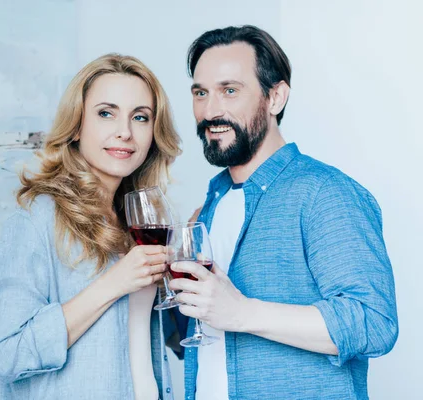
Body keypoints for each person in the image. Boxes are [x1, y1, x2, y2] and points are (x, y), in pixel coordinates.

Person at [168, 25, 399, 400]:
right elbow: (200, 336)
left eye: (229, 90)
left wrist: (243, 313)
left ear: (275, 97)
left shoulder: (326, 193)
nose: (211, 110)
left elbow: (374, 322)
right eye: (200, 93)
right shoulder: (211, 203)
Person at [0, 53, 182, 399]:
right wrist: (113, 283)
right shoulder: (35, 220)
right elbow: (8, 355)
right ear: (76, 126)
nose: (124, 132)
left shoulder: (140, 219)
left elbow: (162, 337)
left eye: (140, 117)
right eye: (106, 113)